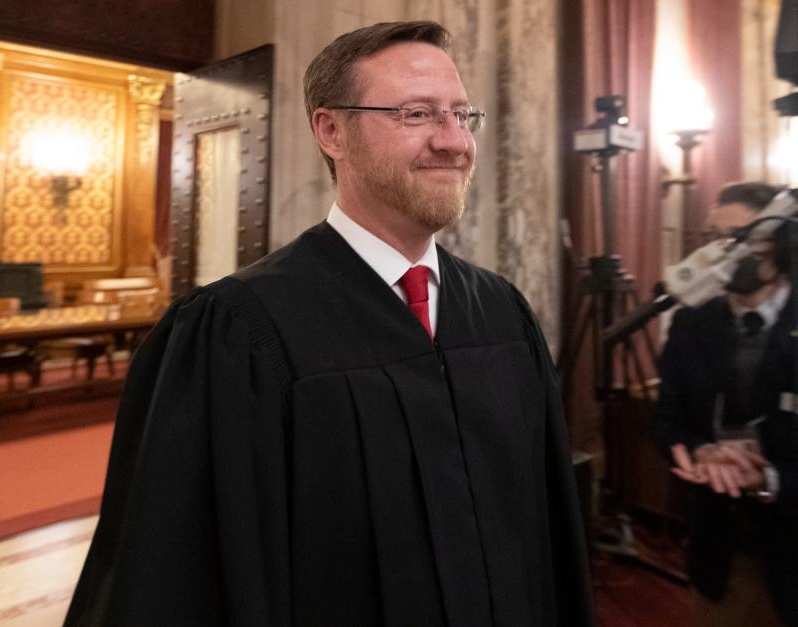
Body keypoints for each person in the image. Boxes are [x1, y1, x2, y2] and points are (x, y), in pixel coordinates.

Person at [66, 21, 593, 626]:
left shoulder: (501, 312)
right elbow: (177, 580)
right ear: (331, 130)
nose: (453, 142)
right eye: (417, 114)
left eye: (461, 115)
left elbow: (547, 535)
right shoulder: (240, 331)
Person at [656, 182, 798, 626]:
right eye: (713, 238)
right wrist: (700, 451)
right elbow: (668, 417)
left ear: (778, 242)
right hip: (720, 555)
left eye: (736, 238)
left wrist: (772, 478)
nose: (721, 252)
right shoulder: (691, 322)